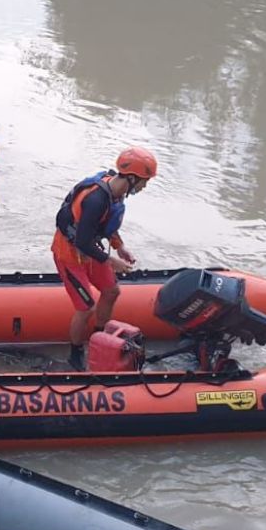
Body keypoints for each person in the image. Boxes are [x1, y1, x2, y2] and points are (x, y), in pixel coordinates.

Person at [52, 146, 159, 370]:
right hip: (70, 254)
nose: (144, 187)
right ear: (131, 178)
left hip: (90, 250)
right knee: (86, 307)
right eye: (143, 181)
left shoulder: (115, 194)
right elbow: (81, 241)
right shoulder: (96, 200)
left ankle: (98, 338)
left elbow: (104, 226)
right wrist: (112, 261)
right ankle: (75, 352)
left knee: (112, 292)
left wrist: (119, 248)